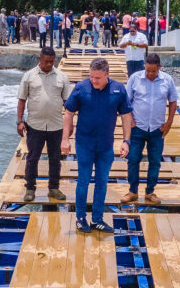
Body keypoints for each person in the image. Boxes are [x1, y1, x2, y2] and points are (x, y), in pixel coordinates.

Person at [62, 58, 133, 233]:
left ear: (107, 75)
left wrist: (126, 141)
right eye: (91, 77)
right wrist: (65, 139)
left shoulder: (118, 89)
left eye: (98, 78)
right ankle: (80, 218)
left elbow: (126, 116)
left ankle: (97, 219)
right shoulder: (81, 87)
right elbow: (69, 112)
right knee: (83, 181)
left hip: (106, 146)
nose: (94, 80)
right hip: (84, 144)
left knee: (102, 182)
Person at [120, 54, 177, 205]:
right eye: (147, 70)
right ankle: (132, 190)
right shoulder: (135, 78)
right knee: (133, 159)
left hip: (157, 129)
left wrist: (169, 122)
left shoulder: (167, 80)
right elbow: (126, 101)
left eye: (153, 71)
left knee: (155, 161)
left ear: (159, 68)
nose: (150, 74)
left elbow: (173, 101)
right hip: (137, 127)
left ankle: (150, 191)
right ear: (144, 66)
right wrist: (130, 118)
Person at [17, 47, 71, 202]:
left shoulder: (62, 77)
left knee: (55, 158)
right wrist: (20, 121)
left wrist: (69, 125)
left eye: (52, 62)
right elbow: (22, 100)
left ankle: (54, 188)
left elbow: (68, 103)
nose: (49, 65)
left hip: (56, 125)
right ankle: (30, 189)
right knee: (32, 158)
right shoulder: (28, 76)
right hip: (35, 125)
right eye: (46, 61)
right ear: (39, 59)